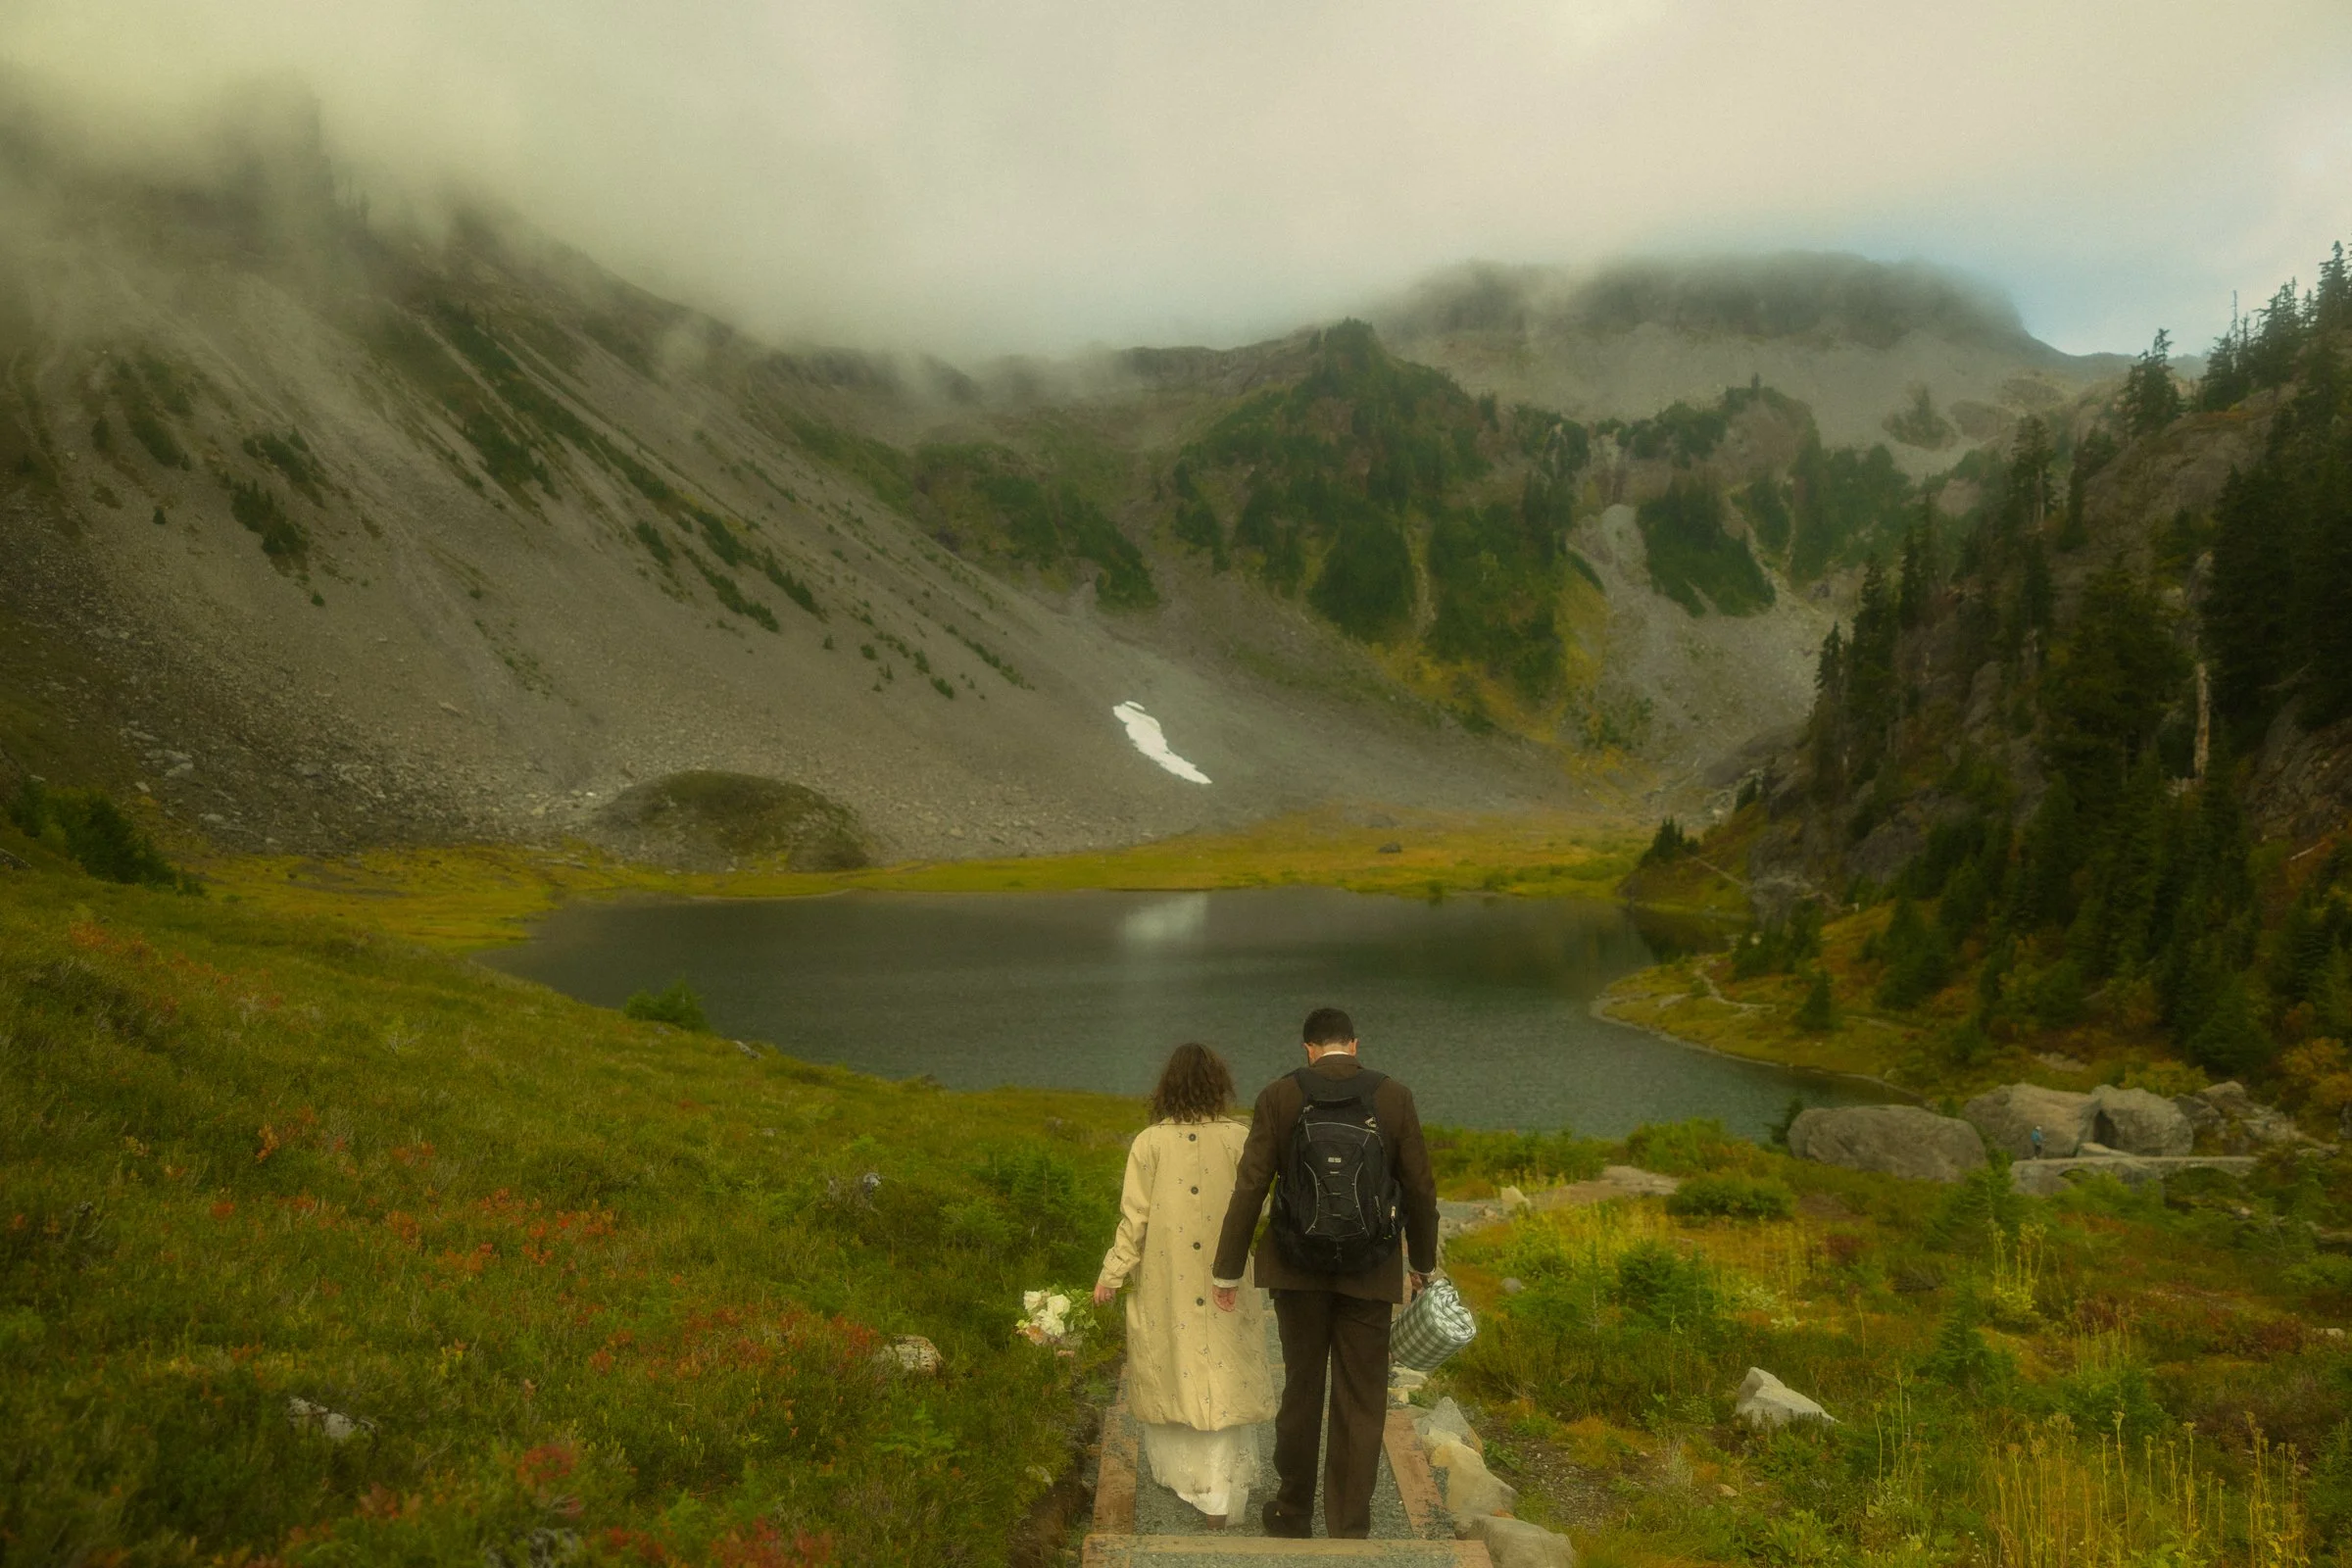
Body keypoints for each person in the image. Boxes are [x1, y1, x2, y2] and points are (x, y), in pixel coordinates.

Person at [1210, 1006, 1439, 1540]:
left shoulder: (1280, 1095)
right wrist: (1422, 1264)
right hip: (1372, 1268)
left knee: (1302, 1387)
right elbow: (1421, 1189)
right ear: (1354, 1045)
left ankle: (1292, 1513)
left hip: (1296, 1267)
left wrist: (1227, 1270)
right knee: (1361, 1396)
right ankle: (1349, 1523)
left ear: (1308, 1048)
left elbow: (1251, 1186)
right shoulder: (1393, 1096)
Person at [1095, 1043, 1277, 1528]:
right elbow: (1259, 1205)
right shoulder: (1239, 1139)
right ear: (1219, 1085)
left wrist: (1111, 1274)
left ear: (1167, 1088)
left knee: (1174, 1366)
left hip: (1165, 1278)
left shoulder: (1148, 1144)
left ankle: (1191, 1484)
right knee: (1224, 1367)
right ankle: (1221, 1490)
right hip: (1229, 1273)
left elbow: (1134, 1219)